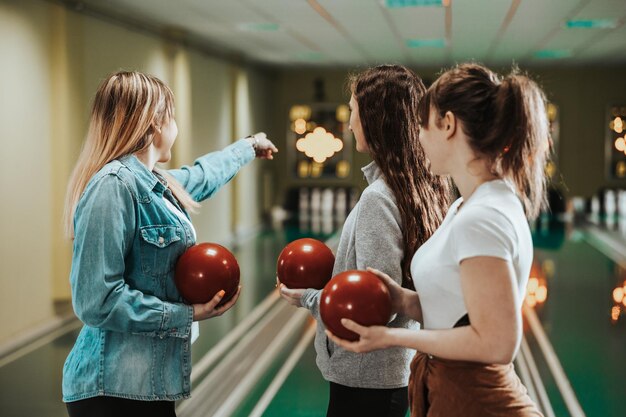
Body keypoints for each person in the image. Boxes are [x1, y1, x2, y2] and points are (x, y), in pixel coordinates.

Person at [326, 63, 549, 417]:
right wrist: (404, 301)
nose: (417, 136)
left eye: (422, 125)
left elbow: (496, 343)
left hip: (478, 400)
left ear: (448, 125)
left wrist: (394, 337)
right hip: (450, 391)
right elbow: (456, 312)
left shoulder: (483, 217)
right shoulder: (465, 205)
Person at [61, 71, 277, 417]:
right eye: (172, 116)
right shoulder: (113, 186)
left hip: (146, 384)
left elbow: (203, 174)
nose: (176, 126)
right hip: (112, 390)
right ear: (153, 124)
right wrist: (187, 314)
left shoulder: (153, 183)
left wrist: (250, 145)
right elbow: (95, 301)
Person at [279, 64, 450, 417]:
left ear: (375, 120)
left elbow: (377, 304)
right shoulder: (425, 188)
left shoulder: (379, 198)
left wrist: (308, 298)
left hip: (364, 379)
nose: (350, 122)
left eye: (354, 112)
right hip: (390, 376)